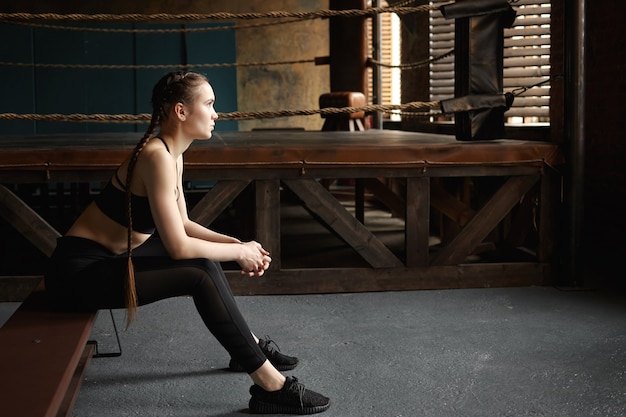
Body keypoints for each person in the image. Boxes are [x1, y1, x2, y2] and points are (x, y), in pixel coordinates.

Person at [44, 71, 330, 415]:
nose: (216, 113)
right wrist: (237, 253)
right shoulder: (156, 156)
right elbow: (179, 246)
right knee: (199, 272)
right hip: (78, 274)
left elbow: (184, 224)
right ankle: (272, 385)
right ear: (181, 111)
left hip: (112, 257)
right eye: (208, 104)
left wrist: (239, 243)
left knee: (205, 264)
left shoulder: (171, 152)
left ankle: (248, 347)